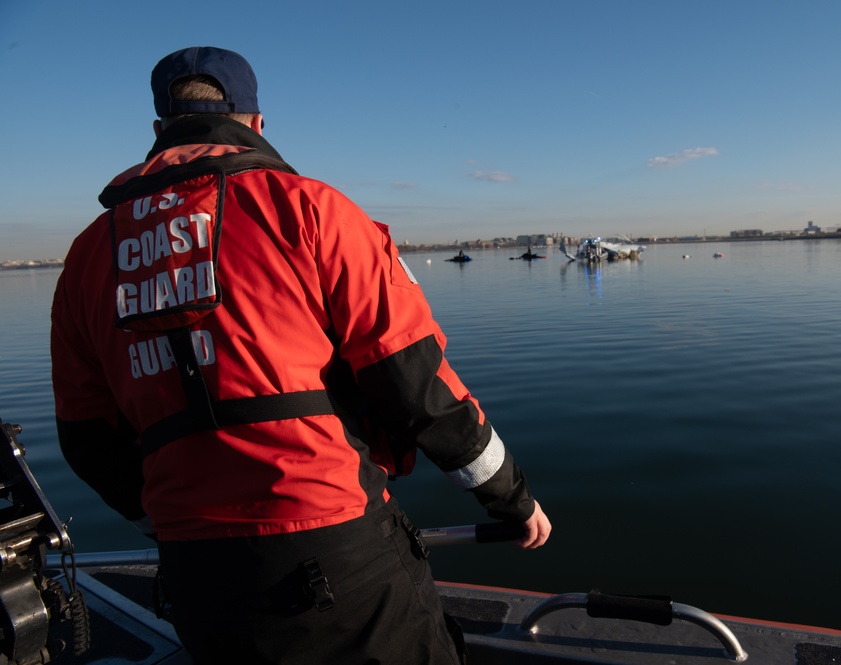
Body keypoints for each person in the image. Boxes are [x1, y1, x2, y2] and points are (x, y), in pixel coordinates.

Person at [50, 46, 551, 665]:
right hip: (331, 546)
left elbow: (85, 437)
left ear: (158, 132)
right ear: (255, 123)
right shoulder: (312, 211)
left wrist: (166, 522)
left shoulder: (84, 258)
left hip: (196, 571)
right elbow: (416, 381)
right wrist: (511, 497)